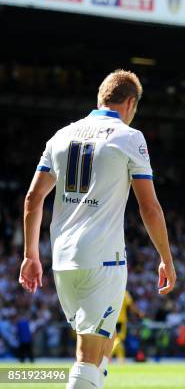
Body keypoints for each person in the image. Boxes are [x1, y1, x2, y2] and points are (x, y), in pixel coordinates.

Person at [18, 69, 176, 389]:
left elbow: (34, 198)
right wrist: (166, 258)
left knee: (101, 344)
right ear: (131, 103)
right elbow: (149, 207)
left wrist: (30, 255)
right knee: (89, 356)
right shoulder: (130, 137)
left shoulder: (61, 136)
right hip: (103, 258)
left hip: (62, 259)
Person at [111, 290, 144, 363]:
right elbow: (131, 305)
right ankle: (107, 357)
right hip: (120, 320)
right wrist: (139, 313)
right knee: (118, 340)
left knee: (116, 340)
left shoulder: (110, 291)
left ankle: (121, 361)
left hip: (111, 319)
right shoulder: (124, 293)